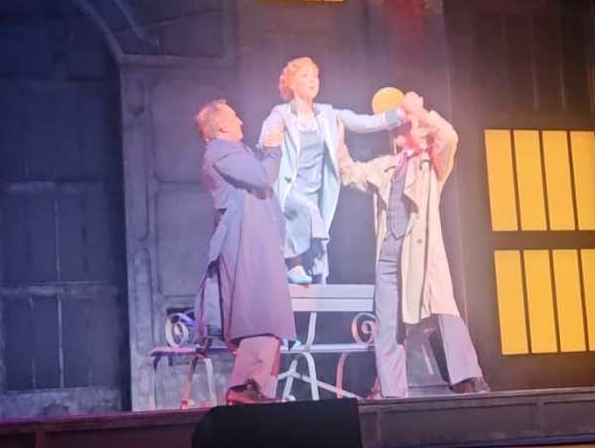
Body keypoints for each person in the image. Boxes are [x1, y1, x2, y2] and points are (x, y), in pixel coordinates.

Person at [338, 93, 489, 398]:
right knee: (388, 326)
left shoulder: (432, 163)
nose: (402, 131)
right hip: (388, 257)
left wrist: (417, 111)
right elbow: (348, 172)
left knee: (443, 311)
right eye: (398, 128)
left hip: (420, 254)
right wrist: (337, 133)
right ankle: (393, 393)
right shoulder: (386, 166)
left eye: (408, 127)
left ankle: (468, 378)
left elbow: (449, 136)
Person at [259, 56, 404, 284]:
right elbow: (267, 135)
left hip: (315, 187)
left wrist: (399, 114)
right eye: (305, 75)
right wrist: (269, 139)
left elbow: (361, 122)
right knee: (307, 212)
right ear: (291, 84)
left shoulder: (326, 114)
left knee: (316, 227)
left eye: (315, 76)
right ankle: (293, 263)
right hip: (289, 185)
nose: (312, 80)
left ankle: (316, 275)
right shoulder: (282, 113)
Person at [194, 99, 296, 405]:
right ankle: (246, 386)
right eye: (234, 116)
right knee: (259, 309)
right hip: (245, 239)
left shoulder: (234, 152)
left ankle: (259, 389)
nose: (240, 120)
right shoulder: (221, 151)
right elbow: (262, 176)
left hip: (255, 237)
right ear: (221, 127)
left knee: (268, 310)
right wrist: (273, 151)